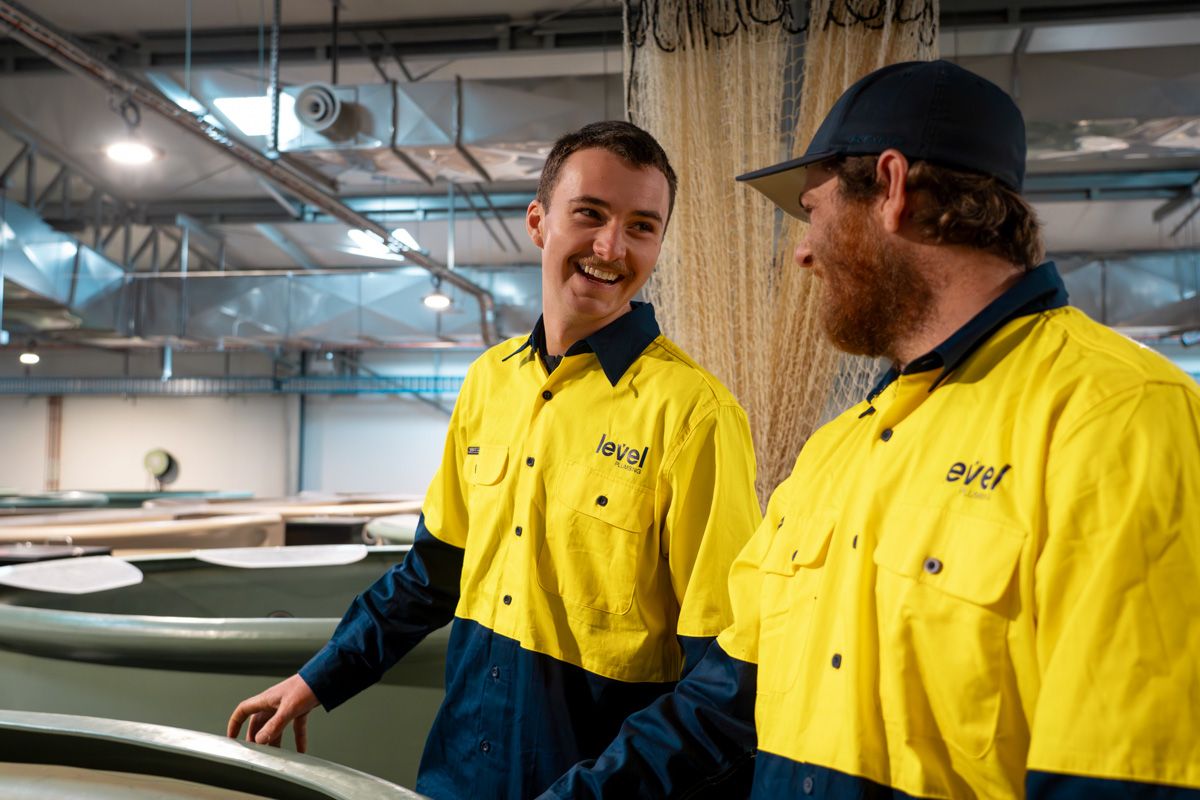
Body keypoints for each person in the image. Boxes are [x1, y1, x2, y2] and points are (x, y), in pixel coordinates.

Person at [541, 60, 1200, 799]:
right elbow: (719, 709)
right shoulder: (838, 451)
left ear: (889, 189)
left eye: (814, 212)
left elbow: (1125, 781)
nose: (802, 251)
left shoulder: (1117, 415)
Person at [226, 120, 762, 800]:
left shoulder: (694, 414)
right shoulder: (489, 381)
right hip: (460, 769)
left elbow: (724, 674)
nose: (610, 247)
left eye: (641, 227)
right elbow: (431, 574)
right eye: (590, 215)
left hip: (592, 782)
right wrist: (318, 679)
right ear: (538, 222)